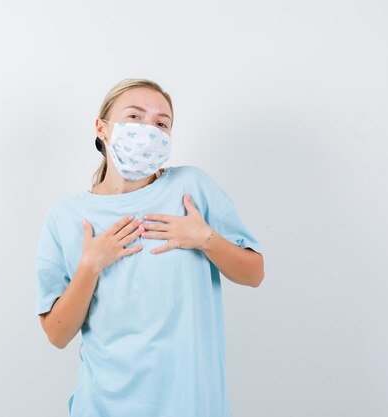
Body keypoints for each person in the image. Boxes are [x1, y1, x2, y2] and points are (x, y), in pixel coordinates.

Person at [35, 78, 265, 417]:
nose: (148, 129)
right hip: (103, 405)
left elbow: (254, 273)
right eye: (134, 117)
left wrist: (205, 239)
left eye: (161, 124)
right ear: (103, 128)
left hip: (189, 404)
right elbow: (57, 334)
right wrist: (90, 266)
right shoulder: (66, 217)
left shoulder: (191, 188)